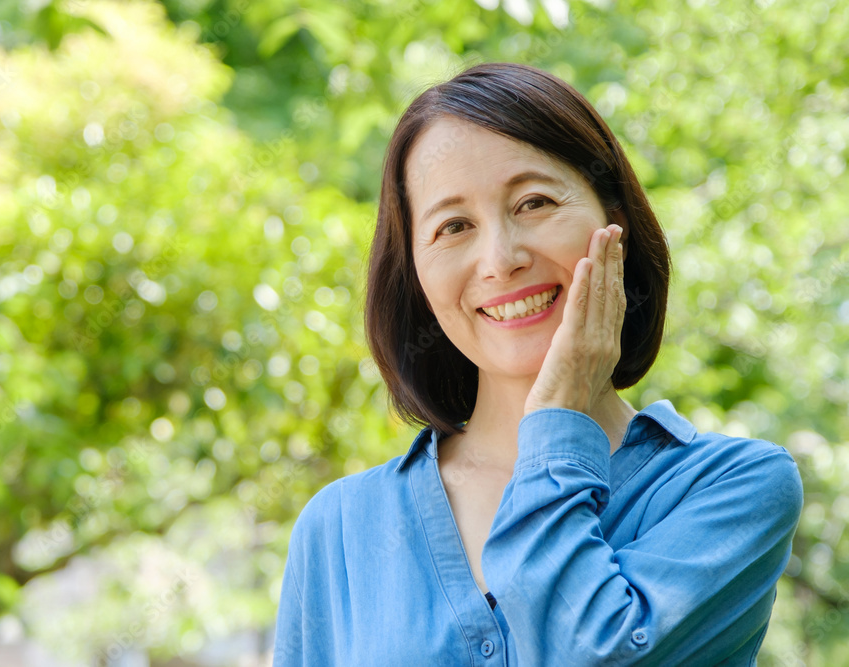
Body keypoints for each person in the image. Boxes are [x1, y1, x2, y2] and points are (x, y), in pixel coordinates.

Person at [272, 62, 803, 666]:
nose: (500, 259)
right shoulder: (339, 530)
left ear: (615, 222)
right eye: (454, 225)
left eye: (533, 202)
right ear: (417, 276)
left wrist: (553, 421)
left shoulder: (732, 487)